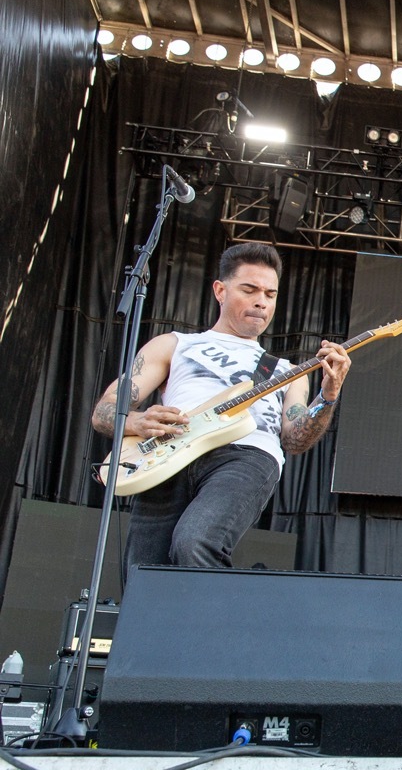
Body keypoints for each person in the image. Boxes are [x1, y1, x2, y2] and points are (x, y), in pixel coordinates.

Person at [91, 243, 351, 574]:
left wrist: (328, 395)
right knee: (143, 571)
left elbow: (295, 439)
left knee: (195, 541)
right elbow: (104, 411)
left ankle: (209, 625)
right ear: (220, 290)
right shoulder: (174, 345)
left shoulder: (285, 370)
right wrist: (140, 421)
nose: (261, 301)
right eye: (250, 289)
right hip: (168, 455)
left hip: (246, 456)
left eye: (270, 294)